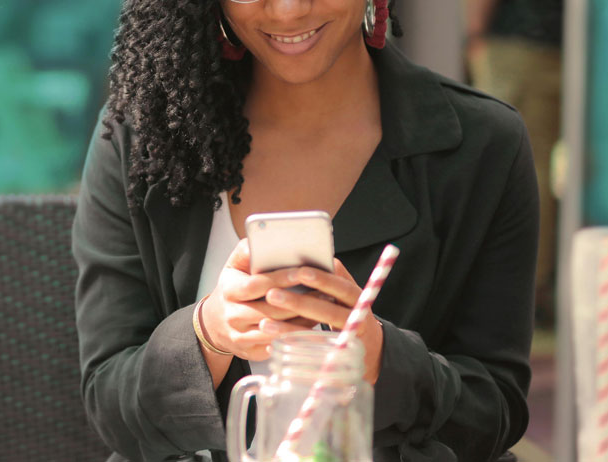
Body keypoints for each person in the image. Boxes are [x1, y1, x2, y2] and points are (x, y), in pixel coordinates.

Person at [72, 0, 537, 460]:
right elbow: (110, 404)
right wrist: (207, 334)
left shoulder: (483, 146)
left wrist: (382, 359)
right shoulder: (143, 137)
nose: (289, 11)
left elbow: (495, 413)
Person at [466, 0, 563, 327]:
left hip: (518, 46)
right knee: (542, 171)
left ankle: (520, 289)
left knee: (512, 168)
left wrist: (474, 31)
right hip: (570, 45)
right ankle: (535, 288)